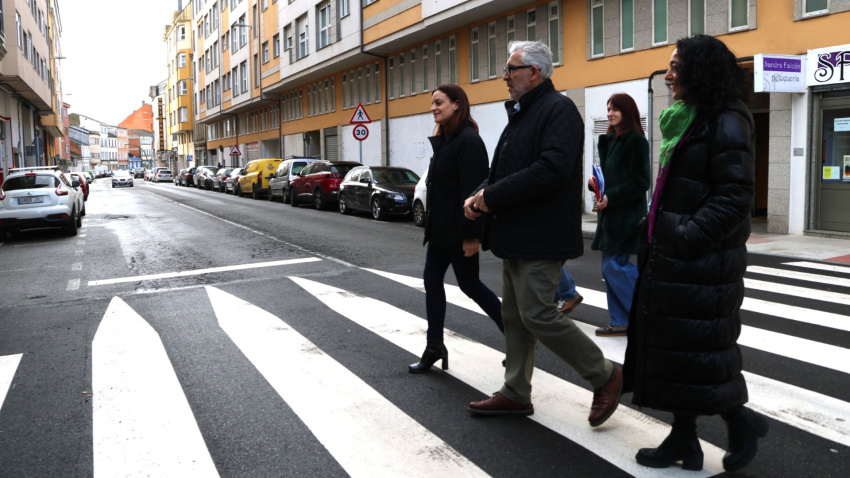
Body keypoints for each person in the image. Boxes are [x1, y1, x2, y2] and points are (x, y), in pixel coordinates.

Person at [622, 34, 767, 473]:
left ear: (700, 70)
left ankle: (741, 423)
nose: (667, 75)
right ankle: (684, 439)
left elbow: (735, 195)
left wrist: (684, 236)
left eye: (675, 67)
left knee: (703, 354)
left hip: (701, 261)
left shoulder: (727, 119)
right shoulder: (688, 117)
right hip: (674, 256)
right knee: (676, 353)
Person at [463, 41, 622, 427]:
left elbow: (550, 170)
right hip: (517, 232)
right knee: (515, 315)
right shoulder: (524, 113)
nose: (505, 77)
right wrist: (479, 194)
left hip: (542, 233)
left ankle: (605, 375)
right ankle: (516, 392)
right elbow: (505, 169)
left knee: (537, 313)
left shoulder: (559, 110)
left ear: (534, 72)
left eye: (511, 69)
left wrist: (490, 197)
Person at [409, 84, 504, 373]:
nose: (433, 108)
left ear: (456, 104)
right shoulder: (447, 139)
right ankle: (434, 346)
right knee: (432, 282)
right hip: (439, 232)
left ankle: (518, 338)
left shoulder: (468, 141)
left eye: (438, 102)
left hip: (458, 231)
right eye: (432, 103)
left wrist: (471, 235)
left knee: (470, 285)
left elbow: (472, 192)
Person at [591, 93, 651, 336]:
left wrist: (611, 197)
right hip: (610, 215)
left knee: (615, 266)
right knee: (610, 267)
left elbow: (641, 181)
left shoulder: (636, 140)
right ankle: (620, 321)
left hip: (625, 216)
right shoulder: (613, 140)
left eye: (615, 109)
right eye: (608, 109)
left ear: (627, 111)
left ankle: (645, 315)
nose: (610, 113)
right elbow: (609, 176)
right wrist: (595, 185)